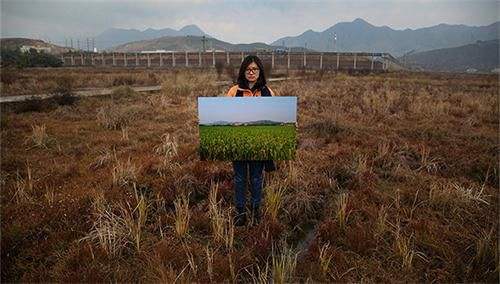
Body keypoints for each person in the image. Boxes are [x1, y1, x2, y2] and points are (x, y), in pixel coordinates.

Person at [226, 55, 276, 226]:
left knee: (256, 178)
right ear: (243, 71)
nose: (251, 72)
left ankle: (256, 210)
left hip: (259, 143)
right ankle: (240, 212)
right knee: (239, 178)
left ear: (260, 71)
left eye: (255, 69)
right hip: (238, 142)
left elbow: (275, 116)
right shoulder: (234, 91)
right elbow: (226, 114)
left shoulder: (268, 92)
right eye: (248, 69)